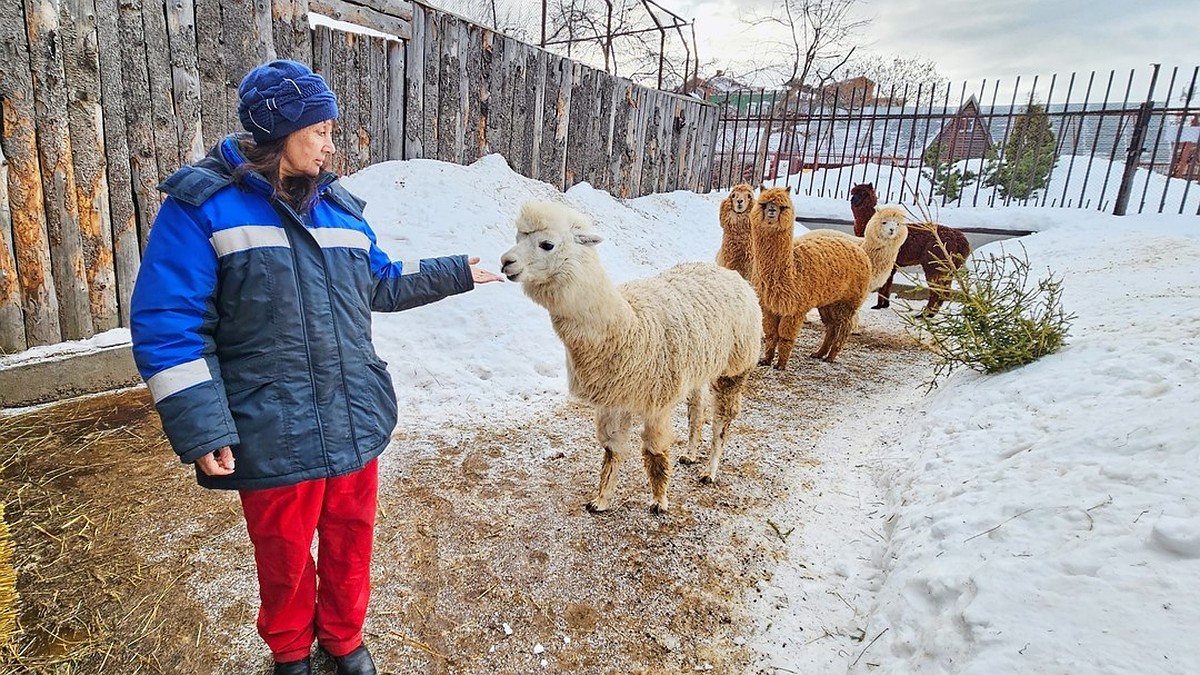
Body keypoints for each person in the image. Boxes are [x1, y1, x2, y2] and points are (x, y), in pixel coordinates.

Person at [130, 60, 502, 675]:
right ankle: (289, 651)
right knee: (281, 553)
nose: (331, 146)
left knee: (352, 543)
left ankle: (344, 639)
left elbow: (380, 282)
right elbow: (169, 325)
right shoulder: (203, 209)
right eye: (320, 131)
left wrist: (457, 272)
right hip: (271, 426)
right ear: (279, 130)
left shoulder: (341, 210)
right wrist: (201, 424)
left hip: (353, 413)